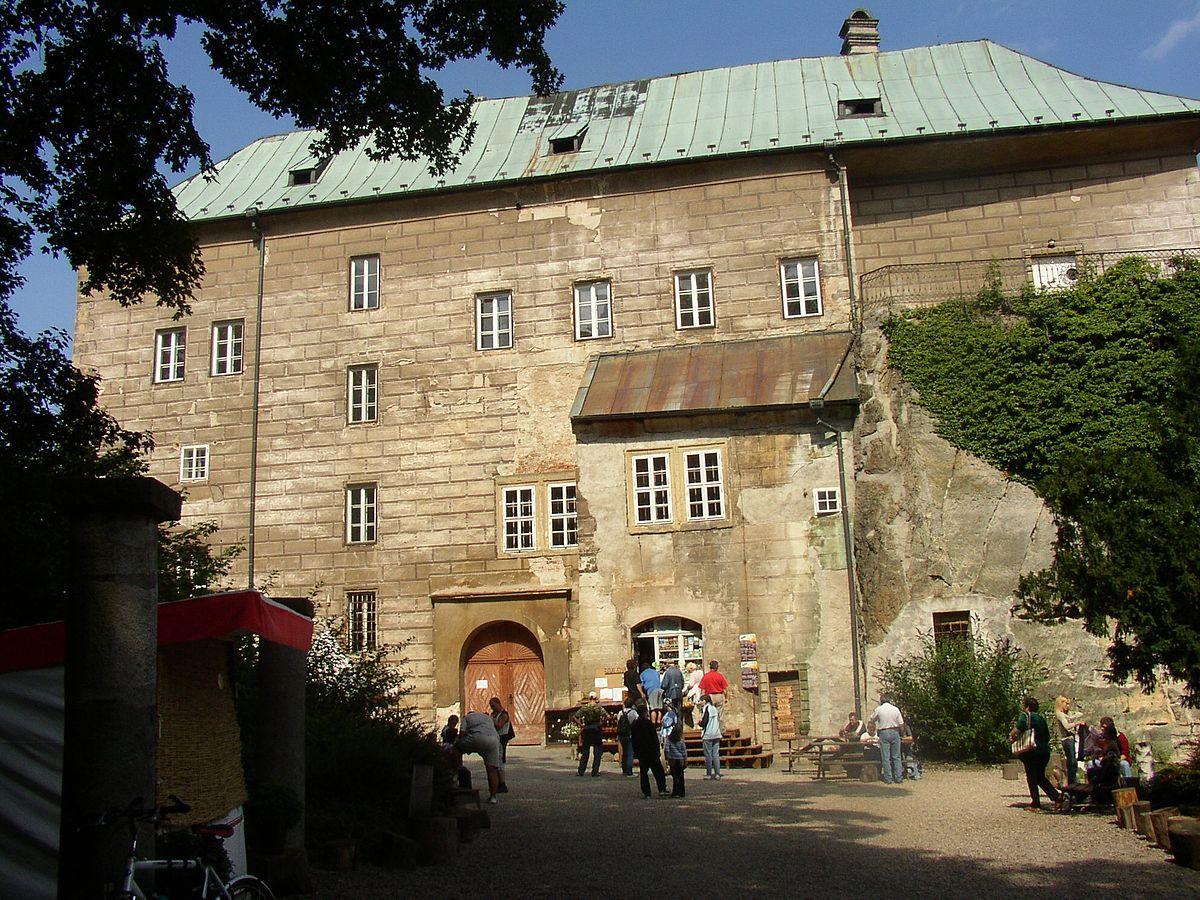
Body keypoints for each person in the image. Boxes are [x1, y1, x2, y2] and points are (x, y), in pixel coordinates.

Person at [1009, 696, 1060, 811]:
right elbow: (1047, 736)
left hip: (1031, 751)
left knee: (1032, 777)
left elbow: (1018, 729)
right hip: (1044, 751)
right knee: (1040, 777)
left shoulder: (1025, 716)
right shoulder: (1041, 719)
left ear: (1026, 707)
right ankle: (1057, 797)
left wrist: (1011, 736)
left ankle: (1036, 803)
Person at [455, 710, 507, 803]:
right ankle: (493, 797)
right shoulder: (487, 718)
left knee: (457, 748)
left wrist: (460, 742)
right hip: (493, 740)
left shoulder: (466, 718)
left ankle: (458, 770)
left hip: (477, 738)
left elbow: (462, 734)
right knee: (492, 770)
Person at [631, 702, 668, 798]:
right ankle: (662, 789)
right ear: (645, 712)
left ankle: (646, 792)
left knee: (644, 773)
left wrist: (636, 751)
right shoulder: (648, 723)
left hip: (641, 751)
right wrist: (657, 749)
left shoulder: (635, 724)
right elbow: (654, 738)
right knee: (658, 771)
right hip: (651, 751)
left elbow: (634, 739)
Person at [868, 695, 905, 785]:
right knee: (896, 756)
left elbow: (871, 719)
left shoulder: (879, 709)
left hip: (884, 732)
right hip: (895, 731)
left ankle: (888, 778)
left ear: (881, 701)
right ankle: (898, 777)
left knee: (886, 757)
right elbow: (901, 723)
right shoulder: (895, 709)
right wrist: (902, 734)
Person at [1053, 696, 1085, 785]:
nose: (1068, 705)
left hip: (1070, 739)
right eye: (1066, 703)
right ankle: (1072, 783)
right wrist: (1077, 722)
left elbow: (1069, 719)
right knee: (1071, 762)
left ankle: (1073, 781)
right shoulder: (1060, 714)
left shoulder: (1064, 714)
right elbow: (1067, 726)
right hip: (1067, 740)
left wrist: (1075, 716)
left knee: (1073, 762)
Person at [573, 692, 606, 777]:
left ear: (589, 698)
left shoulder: (585, 708)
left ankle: (581, 771)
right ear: (595, 698)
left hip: (587, 730)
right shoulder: (599, 708)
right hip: (596, 730)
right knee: (597, 752)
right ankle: (595, 771)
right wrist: (601, 723)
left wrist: (581, 725)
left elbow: (575, 717)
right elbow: (607, 716)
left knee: (585, 751)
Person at [661, 698, 687, 797]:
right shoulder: (680, 741)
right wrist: (685, 759)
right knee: (681, 776)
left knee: (675, 776)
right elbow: (684, 751)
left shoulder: (669, 740)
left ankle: (676, 792)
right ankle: (682, 792)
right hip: (680, 759)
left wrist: (667, 757)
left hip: (673, 758)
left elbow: (667, 749)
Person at [1098, 716, 1134, 780]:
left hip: (1118, 760)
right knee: (1091, 763)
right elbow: (1099, 751)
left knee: (1124, 764)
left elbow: (1125, 753)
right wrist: (1101, 757)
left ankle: (1129, 783)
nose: (1101, 729)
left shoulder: (1120, 737)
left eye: (1104, 727)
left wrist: (1116, 760)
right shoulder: (1102, 738)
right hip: (1105, 761)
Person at [698, 693, 723, 779]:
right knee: (716, 754)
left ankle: (709, 774)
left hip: (708, 734)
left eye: (701, 701)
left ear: (704, 701)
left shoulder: (706, 709)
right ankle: (717, 773)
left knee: (708, 755)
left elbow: (704, 722)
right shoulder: (715, 709)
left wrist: (699, 723)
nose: (700, 702)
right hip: (716, 733)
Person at [616, 695, 638, 776]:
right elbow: (637, 722)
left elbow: (618, 722)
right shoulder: (633, 713)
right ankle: (629, 772)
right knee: (630, 753)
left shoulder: (620, 712)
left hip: (621, 735)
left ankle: (624, 770)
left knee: (624, 752)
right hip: (630, 734)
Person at [489, 697, 515, 765]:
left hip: (502, 736)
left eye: (493, 706)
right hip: (495, 736)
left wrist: (489, 721)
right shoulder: (493, 714)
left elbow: (499, 726)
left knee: (500, 755)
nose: (492, 708)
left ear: (498, 704)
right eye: (491, 706)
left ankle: (501, 768)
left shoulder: (504, 714)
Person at [661, 659, 685, 727]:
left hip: (670, 694)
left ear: (668, 664)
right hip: (679, 693)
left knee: (671, 711)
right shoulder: (679, 672)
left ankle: (672, 727)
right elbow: (682, 684)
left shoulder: (668, 673)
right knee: (679, 712)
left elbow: (664, 685)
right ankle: (679, 727)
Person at [683, 662, 703, 727]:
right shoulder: (701, 672)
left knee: (695, 710)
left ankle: (696, 725)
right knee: (701, 710)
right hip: (701, 691)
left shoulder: (693, 674)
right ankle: (701, 724)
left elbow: (691, 685)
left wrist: (687, 688)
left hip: (695, 692)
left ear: (691, 669)